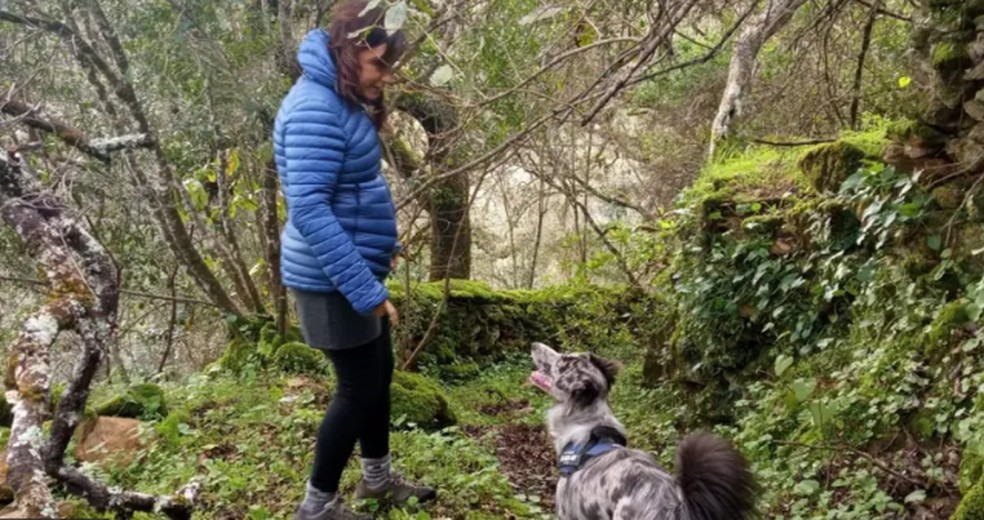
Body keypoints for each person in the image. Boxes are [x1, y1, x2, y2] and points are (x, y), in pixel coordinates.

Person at [273, 2, 435, 519]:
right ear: (349, 50)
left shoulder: (336, 98)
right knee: (357, 388)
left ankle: (377, 481)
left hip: (356, 274)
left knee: (378, 375)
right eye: (379, 66)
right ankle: (317, 506)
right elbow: (312, 211)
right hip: (331, 283)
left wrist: (378, 257)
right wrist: (367, 290)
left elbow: (349, 190)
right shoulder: (313, 109)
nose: (386, 79)